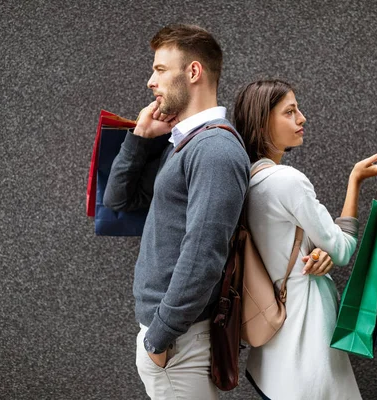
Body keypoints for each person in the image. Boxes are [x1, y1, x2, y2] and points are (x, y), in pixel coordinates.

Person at [233, 79, 377, 400]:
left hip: (275, 338)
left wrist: (314, 251)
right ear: (263, 122)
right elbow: (341, 250)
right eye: (290, 112)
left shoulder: (248, 182)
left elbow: (281, 245)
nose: (302, 118)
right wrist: (355, 181)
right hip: (307, 333)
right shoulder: (288, 181)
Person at [103, 25, 250, 399]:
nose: (151, 81)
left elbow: (204, 255)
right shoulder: (186, 145)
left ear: (194, 72)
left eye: (160, 70)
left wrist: (159, 339)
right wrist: (138, 138)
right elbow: (118, 201)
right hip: (171, 339)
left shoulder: (214, 149)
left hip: (178, 343)